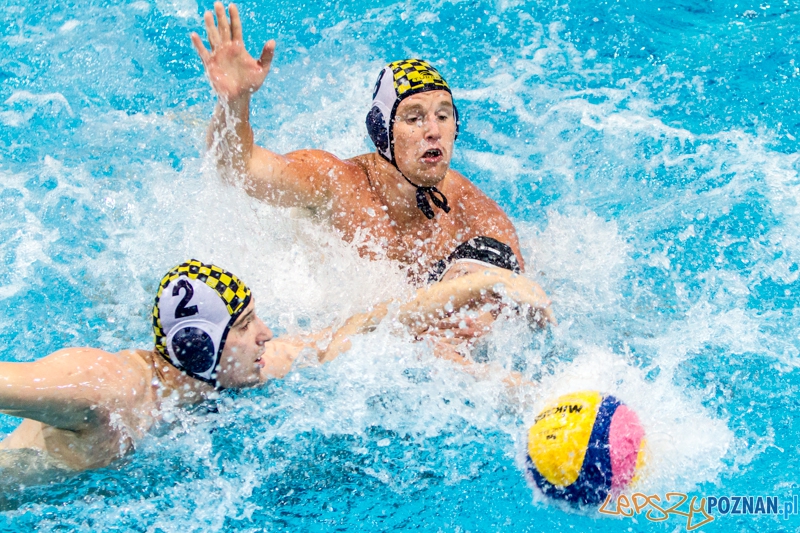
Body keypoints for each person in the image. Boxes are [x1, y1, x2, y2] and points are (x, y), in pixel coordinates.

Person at [0, 259, 552, 472]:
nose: (266, 334)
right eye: (244, 326)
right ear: (198, 348)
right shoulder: (107, 387)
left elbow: (366, 328)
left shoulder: (245, 369)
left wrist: (484, 285)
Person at [191, 3, 525, 282]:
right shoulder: (336, 182)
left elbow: (521, 291)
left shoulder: (468, 207)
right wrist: (234, 103)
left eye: (443, 115)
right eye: (414, 117)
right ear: (382, 131)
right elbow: (236, 169)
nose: (433, 130)